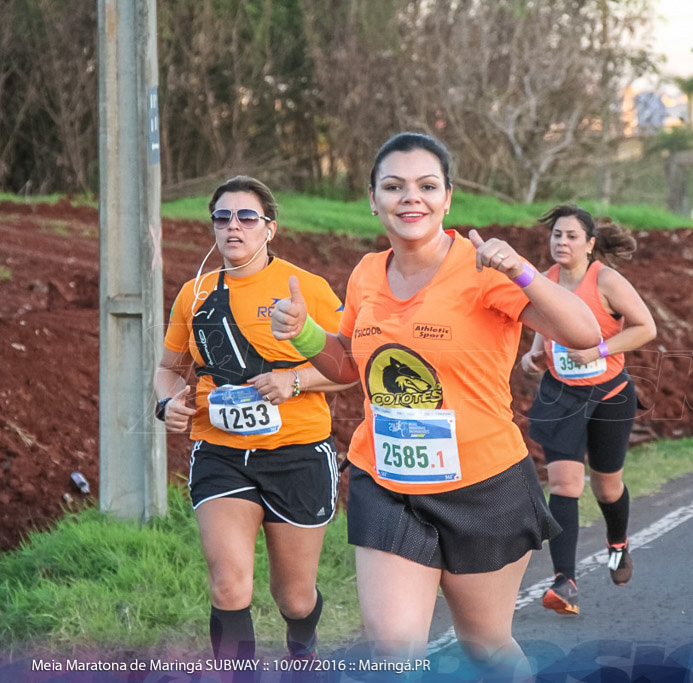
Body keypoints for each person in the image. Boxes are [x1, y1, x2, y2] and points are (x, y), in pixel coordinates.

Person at [269, 132, 601, 676]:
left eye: (426, 186)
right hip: (389, 481)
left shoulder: (481, 268)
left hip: (484, 485)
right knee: (395, 652)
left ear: (448, 198)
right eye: (393, 187)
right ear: (372, 199)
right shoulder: (366, 274)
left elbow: (584, 333)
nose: (410, 198)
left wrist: (519, 269)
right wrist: (304, 335)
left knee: (487, 646)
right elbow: (350, 367)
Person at [153, 176, 352, 663]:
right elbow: (167, 371)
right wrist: (170, 403)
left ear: (270, 228)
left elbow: (350, 370)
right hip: (221, 453)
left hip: (299, 453)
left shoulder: (308, 287)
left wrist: (295, 381)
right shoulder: (193, 295)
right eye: (222, 217)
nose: (233, 227)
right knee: (228, 586)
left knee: (294, 598)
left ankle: (303, 653)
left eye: (246, 217)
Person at [520, 205, 657, 616]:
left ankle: (618, 545)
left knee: (607, 487)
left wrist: (597, 350)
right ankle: (565, 582)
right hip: (562, 395)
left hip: (610, 395)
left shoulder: (607, 280)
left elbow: (645, 328)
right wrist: (535, 354)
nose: (561, 242)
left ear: (590, 244)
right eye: (556, 235)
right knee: (563, 484)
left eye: (571, 236)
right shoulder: (544, 281)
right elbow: (545, 329)